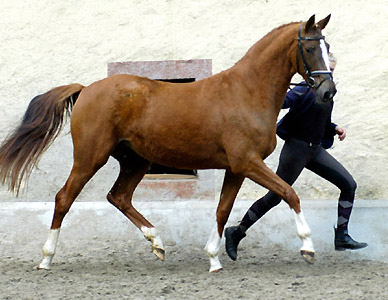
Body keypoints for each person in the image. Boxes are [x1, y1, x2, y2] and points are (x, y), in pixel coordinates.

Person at [225, 53, 367, 261]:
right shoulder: (301, 89)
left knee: (349, 185)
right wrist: (268, 88)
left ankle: (342, 236)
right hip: (296, 151)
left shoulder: (327, 91)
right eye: (328, 70)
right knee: (274, 197)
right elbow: (282, 102)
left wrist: (335, 127)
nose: (330, 75)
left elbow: (321, 119)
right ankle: (236, 232)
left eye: (333, 71)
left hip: (315, 150)